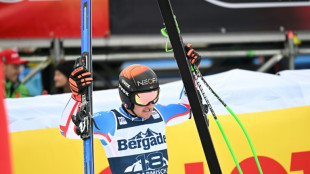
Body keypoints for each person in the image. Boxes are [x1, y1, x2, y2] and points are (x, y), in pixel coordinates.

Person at [59, 44, 201, 173]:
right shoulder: (111, 121)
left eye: (154, 96)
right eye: (143, 98)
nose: (150, 104)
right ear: (127, 97)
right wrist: (76, 97)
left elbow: (189, 108)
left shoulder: (159, 113)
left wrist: (189, 71)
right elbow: (67, 131)